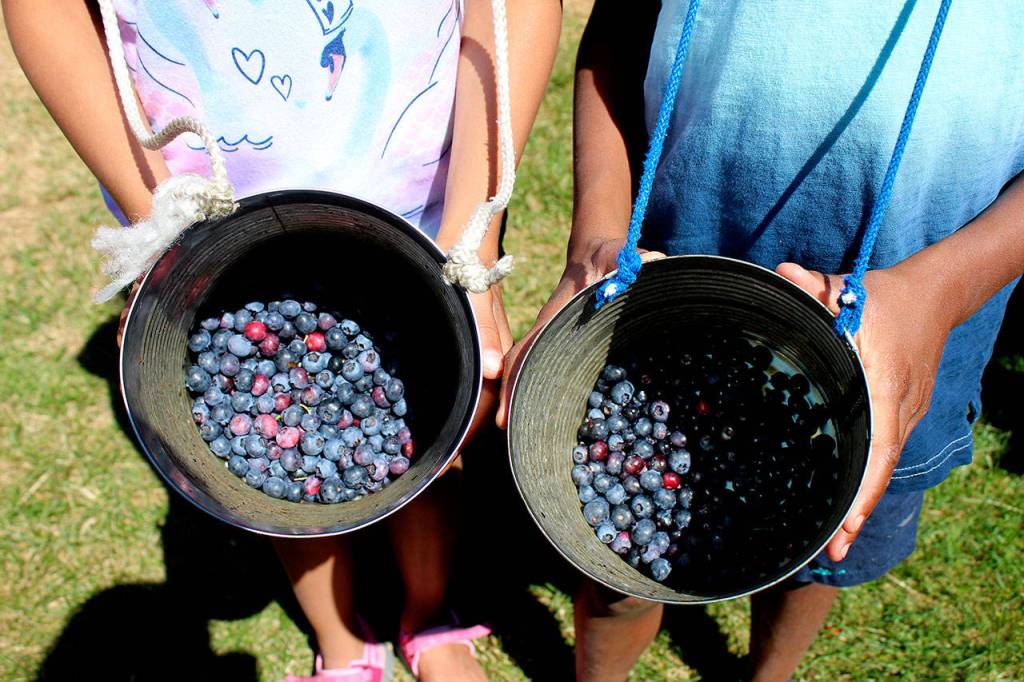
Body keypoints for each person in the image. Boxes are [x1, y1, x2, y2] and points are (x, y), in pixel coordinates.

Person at [3, 0, 560, 679]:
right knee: (268, 462)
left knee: (427, 432)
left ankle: (427, 616)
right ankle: (342, 640)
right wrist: (155, 226)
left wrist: (472, 240)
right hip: (202, 212)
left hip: (418, 201)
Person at [499, 1, 1024, 680]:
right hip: (667, 295)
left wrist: (938, 293)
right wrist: (598, 235)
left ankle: (767, 674)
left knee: (817, 549)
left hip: (898, 329)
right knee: (618, 562)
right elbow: (620, 34)